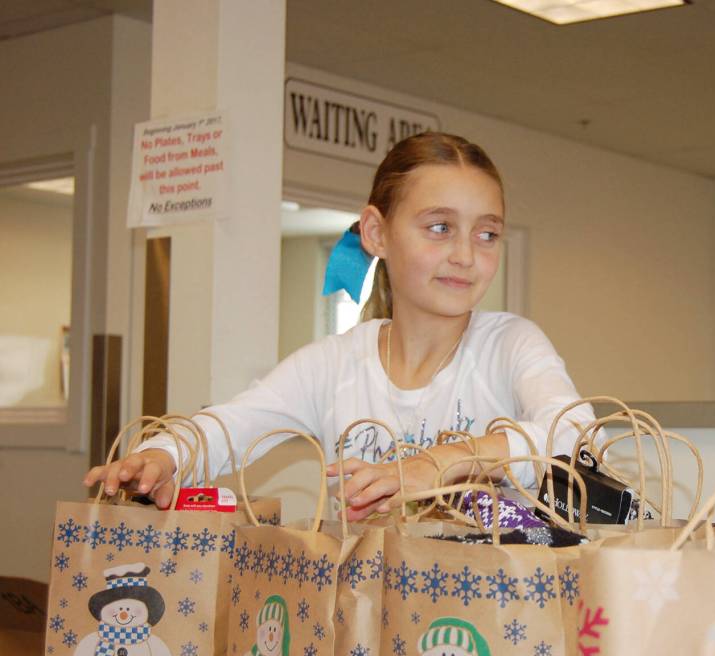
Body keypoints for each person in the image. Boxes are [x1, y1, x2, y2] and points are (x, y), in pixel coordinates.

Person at [83, 131, 597, 521]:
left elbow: (575, 436)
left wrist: (444, 461)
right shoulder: (334, 364)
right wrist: (161, 457)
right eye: (440, 228)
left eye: (486, 234)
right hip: (357, 630)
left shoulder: (508, 345)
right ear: (376, 231)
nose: (465, 255)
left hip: (484, 634)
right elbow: (228, 428)